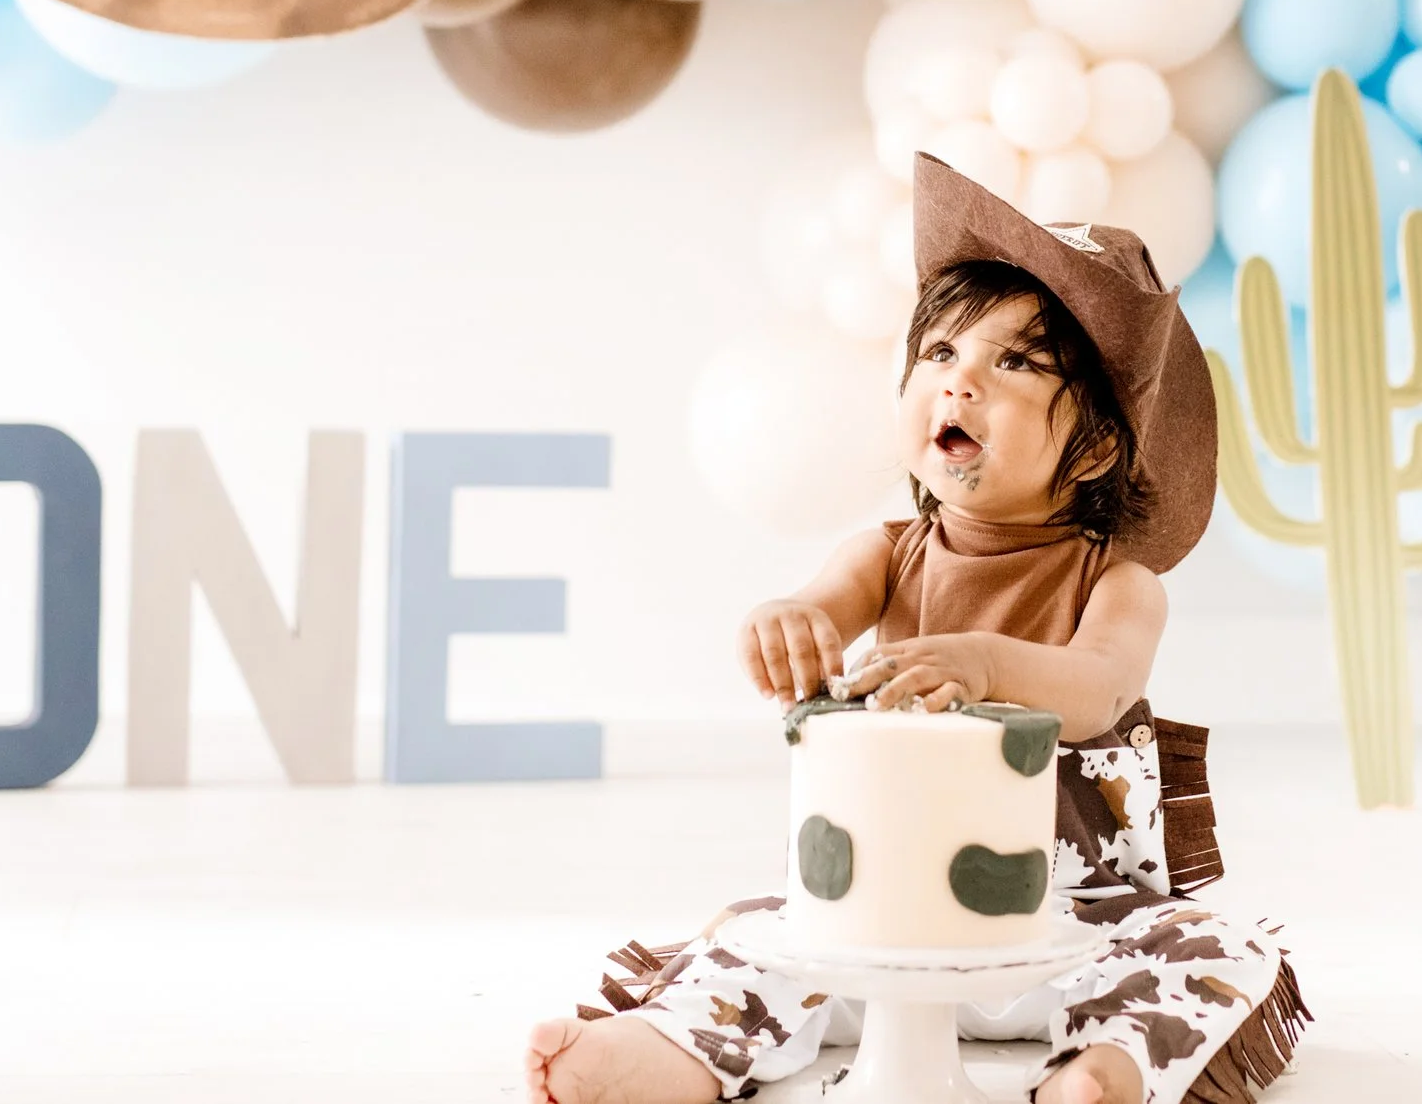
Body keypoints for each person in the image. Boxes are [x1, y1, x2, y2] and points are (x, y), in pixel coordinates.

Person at [526, 156, 1305, 1104]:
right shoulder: (884, 556)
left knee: (1221, 951)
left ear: (1096, 445)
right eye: (940, 354)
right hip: (881, 929)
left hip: (1069, 932)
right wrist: (790, 626)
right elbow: (819, 609)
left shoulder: (1119, 582)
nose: (959, 382)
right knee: (750, 939)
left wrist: (982, 664)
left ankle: (1107, 1068)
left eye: (1012, 363)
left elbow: (1100, 685)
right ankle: (668, 1053)